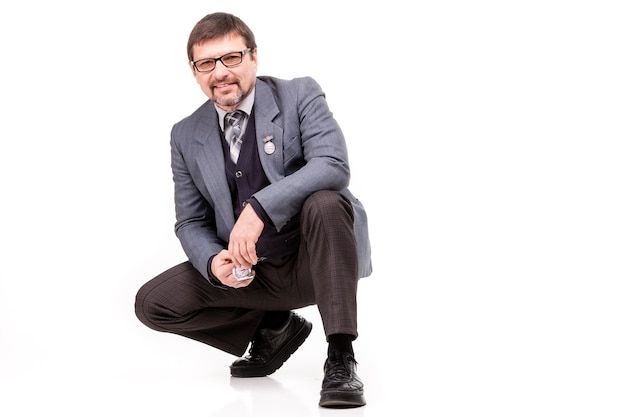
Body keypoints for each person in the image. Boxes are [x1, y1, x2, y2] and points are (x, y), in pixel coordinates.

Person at [134, 11, 372, 408]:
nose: (220, 72)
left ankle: (341, 356)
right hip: (254, 275)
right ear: (194, 71)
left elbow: (333, 164)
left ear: (253, 57)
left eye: (231, 58)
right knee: (153, 303)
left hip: (317, 264)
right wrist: (213, 263)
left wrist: (259, 208)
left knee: (327, 202)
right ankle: (275, 324)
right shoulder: (185, 134)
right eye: (206, 63)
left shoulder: (298, 94)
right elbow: (190, 220)